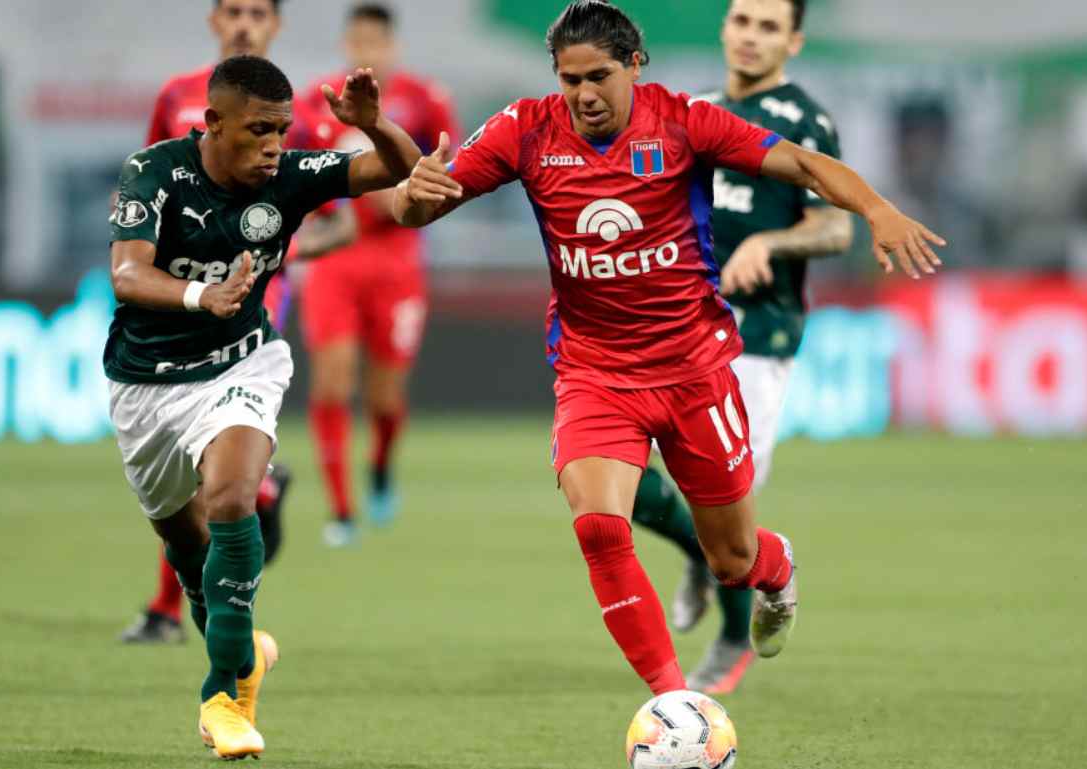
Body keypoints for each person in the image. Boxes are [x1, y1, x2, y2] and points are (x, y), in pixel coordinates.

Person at [392, 0, 942, 696]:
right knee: (599, 528)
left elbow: (803, 164)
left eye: (599, 77)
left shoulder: (685, 121)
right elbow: (415, 209)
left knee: (733, 559)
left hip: (694, 369)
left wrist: (877, 209)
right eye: (570, 80)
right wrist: (413, 193)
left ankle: (777, 566)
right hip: (595, 371)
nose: (585, 95)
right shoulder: (524, 129)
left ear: (635, 65)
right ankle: (675, 703)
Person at [107, 55, 420, 757]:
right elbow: (127, 274)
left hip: (243, 361)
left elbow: (400, 168)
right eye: (259, 130)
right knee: (188, 550)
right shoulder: (153, 172)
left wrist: (374, 124)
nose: (275, 145)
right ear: (214, 123)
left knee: (231, 497)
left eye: (281, 130)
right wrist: (201, 295)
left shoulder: (292, 175)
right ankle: (244, 651)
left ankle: (222, 697)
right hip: (145, 384)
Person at [629, 0, 853, 695]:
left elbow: (835, 229)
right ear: (725, 28)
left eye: (768, 26)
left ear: (794, 41)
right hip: (676, 325)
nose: (751, 36)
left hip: (757, 333)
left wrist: (769, 242)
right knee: (620, 478)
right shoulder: (692, 112)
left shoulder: (804, 121)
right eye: (742, 21)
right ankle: (699, 552)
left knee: (723, 502)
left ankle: (731, 637)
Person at [122, 0, 355, 644]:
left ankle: (170, 608)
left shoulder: (299, 115)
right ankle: (261, 495)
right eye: (233, 11)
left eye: (258, 12)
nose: (245, 23)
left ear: (276, 25)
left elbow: (341, 224)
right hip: (186, 296)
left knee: (202, 466)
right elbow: (148, 185)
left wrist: (276, 247)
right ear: (214, 21)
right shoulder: (176, 97)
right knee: (182, 467)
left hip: (253, 302)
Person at [298, 3, 460, 547]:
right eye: (357, 42)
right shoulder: (317, 101)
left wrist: (402, 195)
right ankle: (341, 511)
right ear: (345, 45)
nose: (366, 52)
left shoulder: (425, 100)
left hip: (398, 260)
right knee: (332, 380)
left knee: (386, 397)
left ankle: (382, 466)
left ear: (393, 48)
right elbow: (293, 171)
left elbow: (449, 172)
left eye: (376, 42)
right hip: (335, 257)